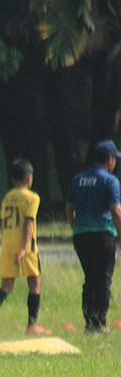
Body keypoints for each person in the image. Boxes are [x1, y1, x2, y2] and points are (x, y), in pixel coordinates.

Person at [0, 158, 50, 335]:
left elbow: (2, 223)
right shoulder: (32, 198)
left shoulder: (7, 198)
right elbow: (29, 223)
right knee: (34, 283)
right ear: (29, 179)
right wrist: (24, 248)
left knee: (7, 285)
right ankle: (32, 325)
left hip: (7, 244)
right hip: (26, 246)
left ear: (12, 179)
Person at [64, 139, 121, 334]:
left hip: (81, 235)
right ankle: (100, 322)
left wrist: (76, 227)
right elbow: (116, 210)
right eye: (115, 159)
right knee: (103, 279)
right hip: (103, 234)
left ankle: (89, 323)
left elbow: (69, 208)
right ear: (109, 160)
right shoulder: (110, 181)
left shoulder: (77, 179)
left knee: (89, 278)